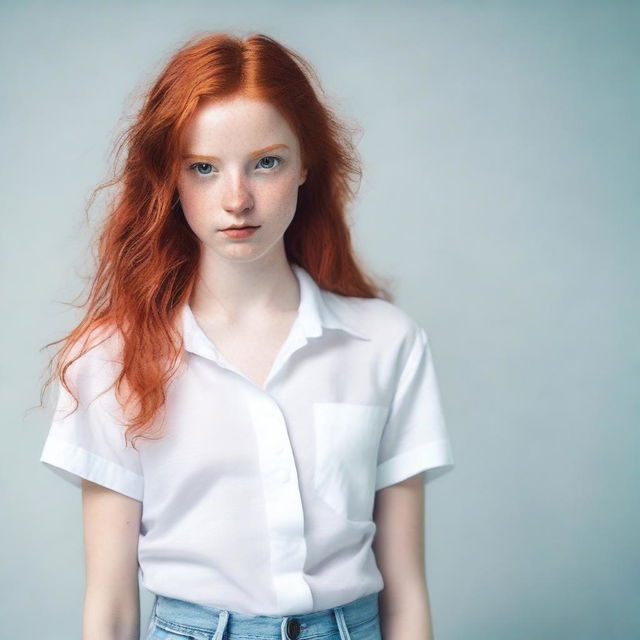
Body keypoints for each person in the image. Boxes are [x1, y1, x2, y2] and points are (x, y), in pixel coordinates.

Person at [38, 31, 455, 640]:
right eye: (203, 168)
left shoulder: (387, 343)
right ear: (169, 180)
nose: (237, 199)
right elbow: (111, 606)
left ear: (305, 163)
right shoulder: (110, 358)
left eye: (266, 162)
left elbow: (407, 590)